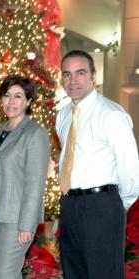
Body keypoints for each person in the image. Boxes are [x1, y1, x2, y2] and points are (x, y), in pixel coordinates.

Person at [57, 50, 139, 279]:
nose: (73, 81)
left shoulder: (110, 115)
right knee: (73, 273)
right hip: (70, 205)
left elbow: (131, 168)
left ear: (93, 75)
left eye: (80, 73)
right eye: (67, 74)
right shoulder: (63, 115)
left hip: (102, 206)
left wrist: (115, 207)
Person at [0, 75, 50, 279]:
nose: (11, 102)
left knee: (5, 275)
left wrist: (27, 225)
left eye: (18, 96)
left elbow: (35, 183)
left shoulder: (35, 133)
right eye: (7, 95)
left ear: (29, 101)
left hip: (15, 220)